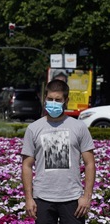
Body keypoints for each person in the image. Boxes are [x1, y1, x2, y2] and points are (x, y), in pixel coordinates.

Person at [21, 79, 96, 224]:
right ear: (45, 98)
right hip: (42, 199)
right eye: (50, 99)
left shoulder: (79, 127)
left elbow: (90, 164)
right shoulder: (34, 128)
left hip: (73, 199)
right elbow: (26, 165)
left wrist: (87, 196)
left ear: (66, 100)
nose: (53, 103)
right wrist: (29, 198)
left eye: (58, 100)